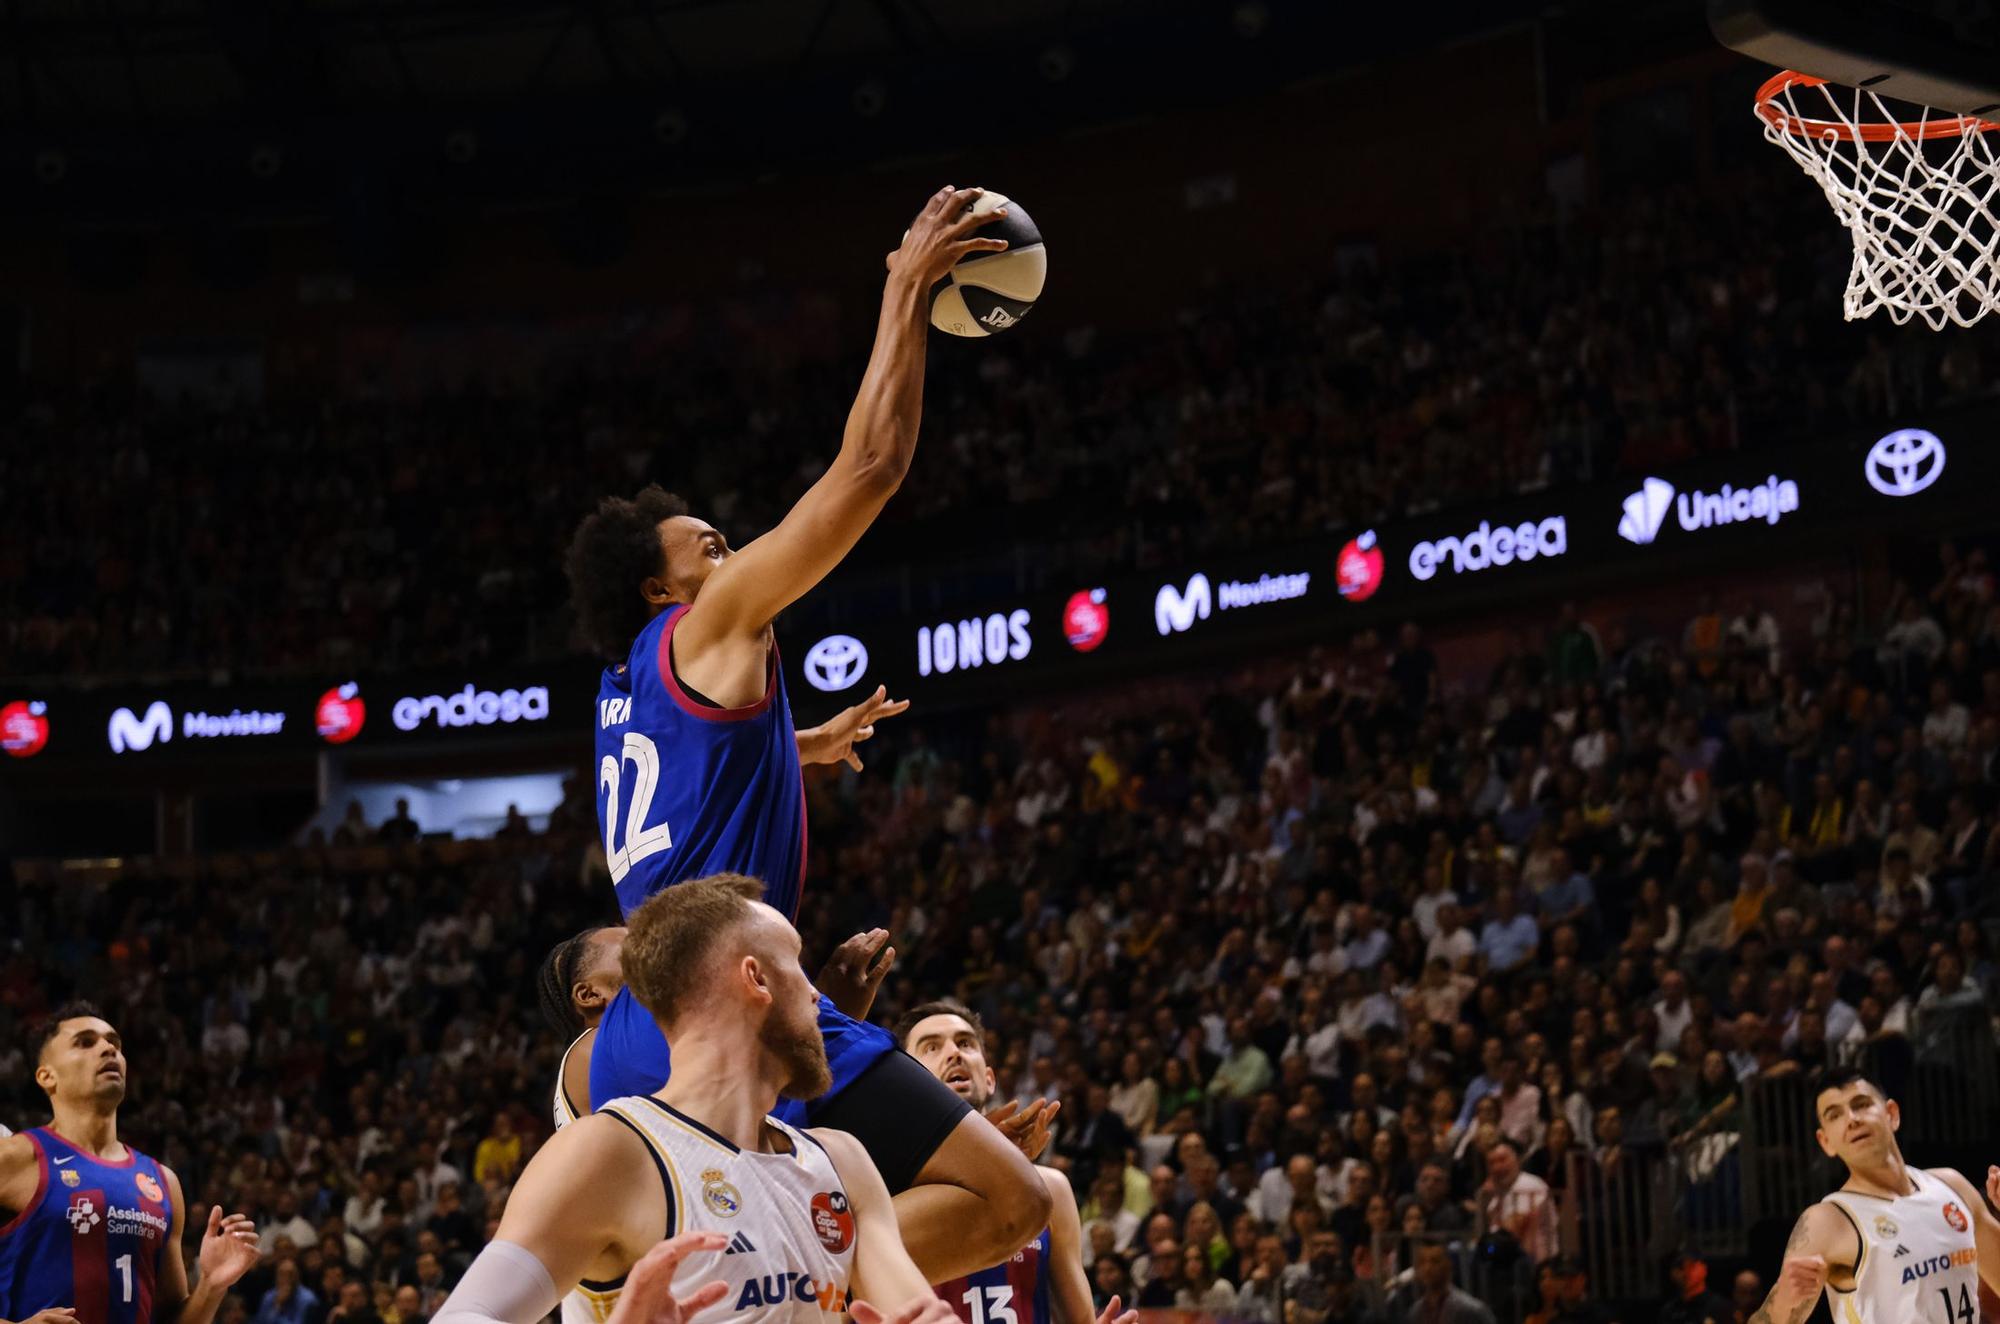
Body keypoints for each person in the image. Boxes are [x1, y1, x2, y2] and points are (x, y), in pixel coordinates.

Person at [561, 185, 1050, 1284]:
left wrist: (799, 744)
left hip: (644, 1024)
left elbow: (685, 798)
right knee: (1008, 1198)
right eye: (709, 545)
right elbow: (868, 471)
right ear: (659, 588)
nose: (731, 556)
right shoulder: (706, 623)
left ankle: (774, 1282)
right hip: (726, 995)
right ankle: (797, 1285)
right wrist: (906, 293)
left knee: (692, 1265)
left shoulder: (622, 683)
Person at [427, 874, 961, 1324]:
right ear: (755, 979)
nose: (819, 994)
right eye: (796, 964)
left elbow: (914, 1312)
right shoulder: (610, 1152)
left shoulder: (841, 1162)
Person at [0, 1004, 261, 1324]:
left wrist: (211, 1286)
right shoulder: (15, 1158)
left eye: (114, 1042)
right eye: (85, 1042)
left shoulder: (163, 1182)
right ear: (47, 1076)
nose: (108, 1048)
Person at [897, 999, 1137, 1324]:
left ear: (990, 1078)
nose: (954, 1052)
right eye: (931, 1047)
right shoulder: (886, 1186)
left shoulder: (1050, 1188)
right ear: (904, 1084)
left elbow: (1080, 1320)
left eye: (965, 1043)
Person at [1742, 1066, 2000, 1324]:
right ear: (1826, 1142)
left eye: (1861, 1104)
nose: (1852, 1119)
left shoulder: (1952, 1186)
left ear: (1892, 1114)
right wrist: (1783, 1302)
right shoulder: (1828, 1221)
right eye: (1835, 1115)